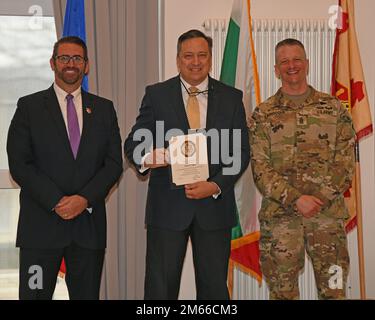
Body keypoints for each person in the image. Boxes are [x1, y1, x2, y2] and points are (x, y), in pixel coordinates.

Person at [124, 29, 250, 299]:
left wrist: (215, 185)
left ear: (210, 58)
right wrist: (149, 157)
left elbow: (240, 152)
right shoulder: (157, 95)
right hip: (167, 209)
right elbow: (133, 143)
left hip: (214, 206)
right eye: (189, 56)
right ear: (178, 59)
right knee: (160, 290)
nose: (196, 62)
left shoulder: (232, 97)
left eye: (202, 55)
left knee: (215, 290)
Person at [6, 36, 123, 300]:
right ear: (52, 63)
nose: (71, 64)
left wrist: (83, 200)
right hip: (40, 229)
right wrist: (57, 201)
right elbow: (19, 163)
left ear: (87, 65)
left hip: (88, 228)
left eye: (77, 58)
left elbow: (113, 163)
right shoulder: (29, 107)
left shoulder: (104, 109)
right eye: (64, 58)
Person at [249, 38, 355, 299]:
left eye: (296, 59)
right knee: (282, 294)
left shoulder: (333, 109)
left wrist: (317, 198)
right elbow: (260, 168)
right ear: (276, 69)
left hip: (327, 219)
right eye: (284, 61)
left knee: (335, 291)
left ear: (307, 64)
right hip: (281, 221)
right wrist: (297, 199)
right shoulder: (263, 114)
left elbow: (345, 163)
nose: (291, 66)